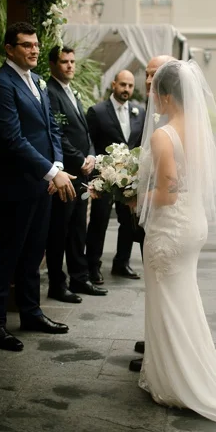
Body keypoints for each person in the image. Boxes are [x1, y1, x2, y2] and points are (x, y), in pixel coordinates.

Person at [135, 60, 216, 426]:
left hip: (170, 228)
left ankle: (178, 381)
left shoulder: (164, 134)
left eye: (155, 93)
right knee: (183, 300)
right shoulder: (198, 129)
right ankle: (181, 371)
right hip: (194, 225)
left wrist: (136, 198)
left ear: (165, 95)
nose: (153, 100)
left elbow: (168, 193)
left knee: (168, 303)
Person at [0, 23, 76, 352]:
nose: (34, 50)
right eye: (26, 45)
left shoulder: (38, 82)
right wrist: (51, 172)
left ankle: (32, 313)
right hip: (17, 186)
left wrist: (57, 168)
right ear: (9, 49)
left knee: (35, 253)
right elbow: (11, 139)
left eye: (36, 45)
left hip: (44, 183)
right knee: (8, 255)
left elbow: (51, 129)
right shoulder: (0, 85)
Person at [44, 46, 102, 303]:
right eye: (64, 61)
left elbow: (84, 132)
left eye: (72, 61)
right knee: (60, 230)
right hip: (65, 172)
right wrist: (79, 159)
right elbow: (57, 133)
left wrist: (90, 154)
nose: (69, 65)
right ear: (53, 64)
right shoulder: (51, 92)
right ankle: (57, 284)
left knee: (79, 226)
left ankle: (80, 277)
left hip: (82, 170)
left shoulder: (71, 91)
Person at [129, 54, 176, 373]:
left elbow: (170, 185)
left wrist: (136, 197)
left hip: (165, 213)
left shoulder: (168, 121)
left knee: (166, 284)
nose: (148, 80)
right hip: (160, 213)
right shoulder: (158, 112)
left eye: (154, 74)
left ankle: (163, 351)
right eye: (145, 74)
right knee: (159, 284)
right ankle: (156, 339)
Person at [85, 70, 145, 282]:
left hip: (129, 179)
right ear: (114, 84)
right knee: (99, 221)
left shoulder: (140, 110)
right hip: (104, 177)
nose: (126, 89)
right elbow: (89, 141)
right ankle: (92, 265)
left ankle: (122, 263)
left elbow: (139, 143)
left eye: (130, 85)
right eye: (123, 85)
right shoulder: (97, 111)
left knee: (128, 222)